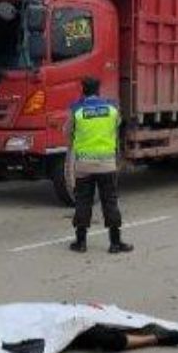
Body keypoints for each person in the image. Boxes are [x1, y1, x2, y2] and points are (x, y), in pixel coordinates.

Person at [64, 77, 132, 254]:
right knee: (110, 201)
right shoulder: (111, 109)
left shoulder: (77, 110)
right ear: (99, 90)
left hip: (83, 166)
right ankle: (115, 243)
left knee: (83, 202)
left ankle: (81, 243)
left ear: (83, 90)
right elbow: (118, 126)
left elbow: (67, 132)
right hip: (106, 165)